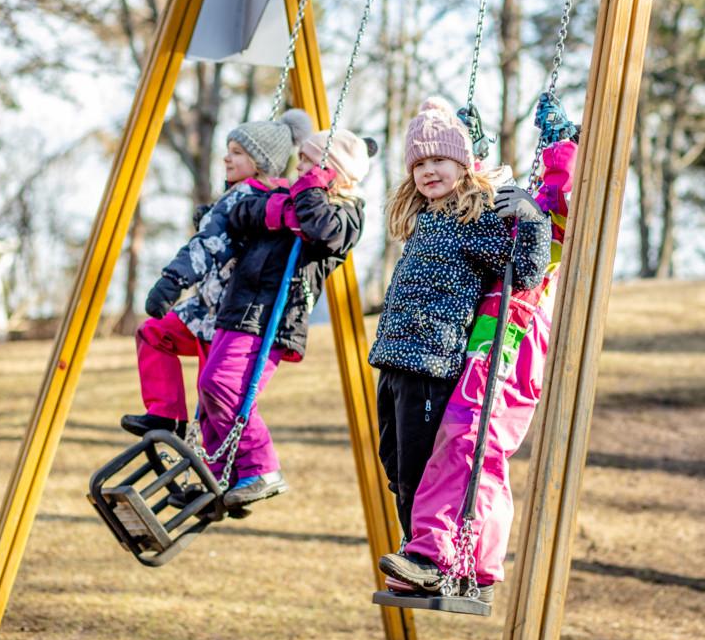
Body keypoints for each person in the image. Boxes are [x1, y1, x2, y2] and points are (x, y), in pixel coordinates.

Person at [377, 93, 580, 603]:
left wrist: (531, 218)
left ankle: (434, 556)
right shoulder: (424, 219)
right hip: (394, 358)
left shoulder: (474, 218)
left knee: (430, 465)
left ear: (464, 165)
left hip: (435, 359)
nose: (428, 171)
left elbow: (527, 267)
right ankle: (421, 552)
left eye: (439, 160)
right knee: (395, 463)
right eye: (419, 163)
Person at [196, 127, 374, 512]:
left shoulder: (347, 214)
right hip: (238, 306)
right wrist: (283, 210)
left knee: (224, 387)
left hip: (273, 316)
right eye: (303, 162)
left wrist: (307, 194)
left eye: (312, 163)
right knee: (209, 393)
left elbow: (320, 229)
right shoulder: (289, 197)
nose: (302, 168)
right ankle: (217, 476)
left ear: (336, 173)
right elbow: (245, 212)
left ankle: (261, 467)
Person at [121, 109, 313, 439]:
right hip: (207, 308)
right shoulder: (268, 197)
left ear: (261, 162)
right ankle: (167, 416)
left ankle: (204, 456)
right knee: (154, 334)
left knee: (211, 398)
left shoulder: (246, 196)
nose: (226, 158)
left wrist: (172, 282)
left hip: (227, 315)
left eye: (237, 153)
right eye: (228, 150)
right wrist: (211, 214)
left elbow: (208, 244)